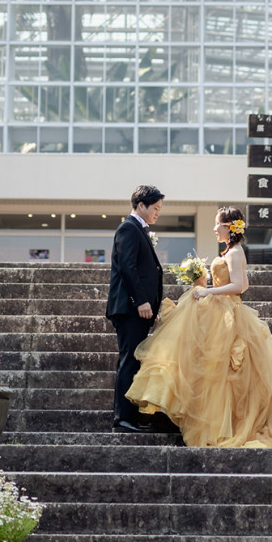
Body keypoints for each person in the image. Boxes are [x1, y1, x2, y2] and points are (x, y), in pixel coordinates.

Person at [126, 206, 272, 449]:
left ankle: (221, 426)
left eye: (218, 224)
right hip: (220, 311)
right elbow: (242, 283)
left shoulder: (235, 252)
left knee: (224, 372)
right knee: (212, 370)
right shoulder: (230, 250)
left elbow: (240, 286)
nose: (214, 228)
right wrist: (203, 283)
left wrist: (210, 291)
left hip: (228, 314)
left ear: (228, 227)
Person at [105, 183, 165, 433]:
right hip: (130, 309)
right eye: (155, 208)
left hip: (140, 309)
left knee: (134, 360)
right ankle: (122, 418)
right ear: (141, 205)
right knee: (129, 360)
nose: (157, 213)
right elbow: (128, 267)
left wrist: (153, 305)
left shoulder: (138, 229)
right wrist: (140, 301)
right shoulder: (128, 228)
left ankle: (131, 416)